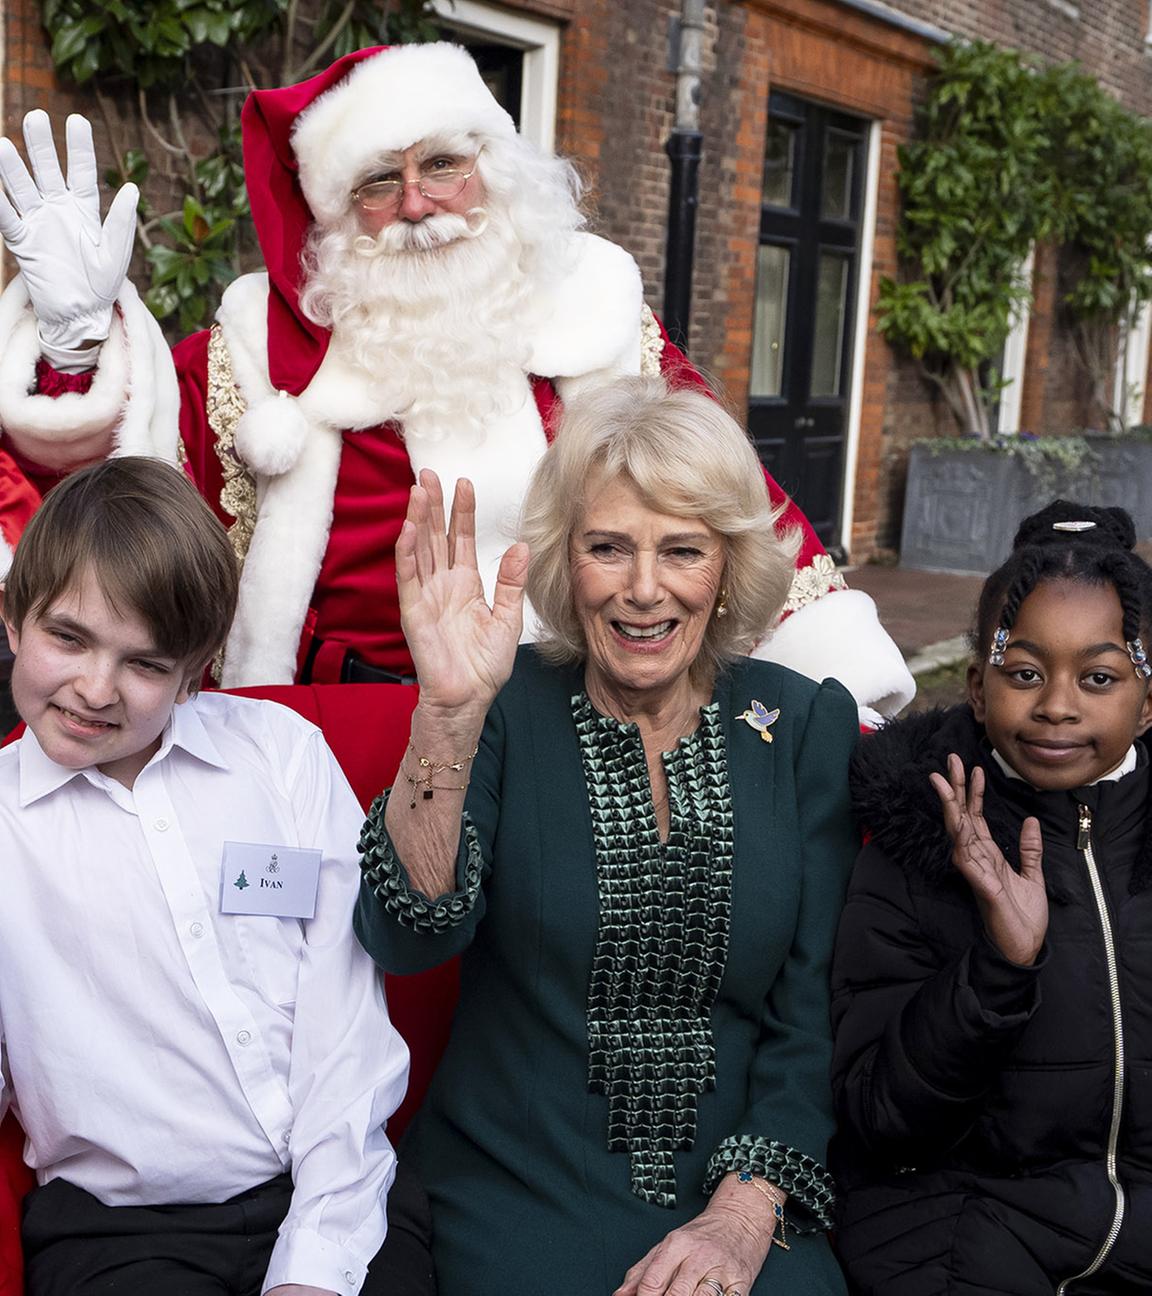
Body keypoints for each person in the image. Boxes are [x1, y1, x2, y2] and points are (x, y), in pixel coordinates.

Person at [0, 42, 913, 722]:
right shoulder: (265, 352)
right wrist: (75, 349)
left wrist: (832, 685)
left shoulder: (591, 318)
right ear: (336, 213)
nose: (418, 204)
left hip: (566, 718)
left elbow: (728, 502)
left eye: (442, 164)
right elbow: (119, 488)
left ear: (493, 169)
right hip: (327, 725)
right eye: (378, 182)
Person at [354, 375, 859, 1296]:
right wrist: (447, 712)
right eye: (608, 547)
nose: (642, 589)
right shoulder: (504, 709)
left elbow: (811, 1020)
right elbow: (407, 935)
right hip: (512, 1184)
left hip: (739, 1192)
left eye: (682, 550)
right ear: (565, 561)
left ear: (731, 564)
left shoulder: (801, 728)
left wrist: (744, 1215)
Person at [0, 456, 430, 1296]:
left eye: (146, 664)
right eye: (69, 638)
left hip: (340, 1191)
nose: (96, 688)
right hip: (119, 1235)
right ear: (14, 618)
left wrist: (316, 1259)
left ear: (195, 670)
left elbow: (347, 1025)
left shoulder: (283, 754)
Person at [830, 500, 1152, 1295]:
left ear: (1148, 701)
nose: (1057, 706)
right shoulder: (920, 838)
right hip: (961, 1228)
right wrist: (999, 968)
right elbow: (880, 1121)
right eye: (1025, 673)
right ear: (977, 688)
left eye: (1100, 677)